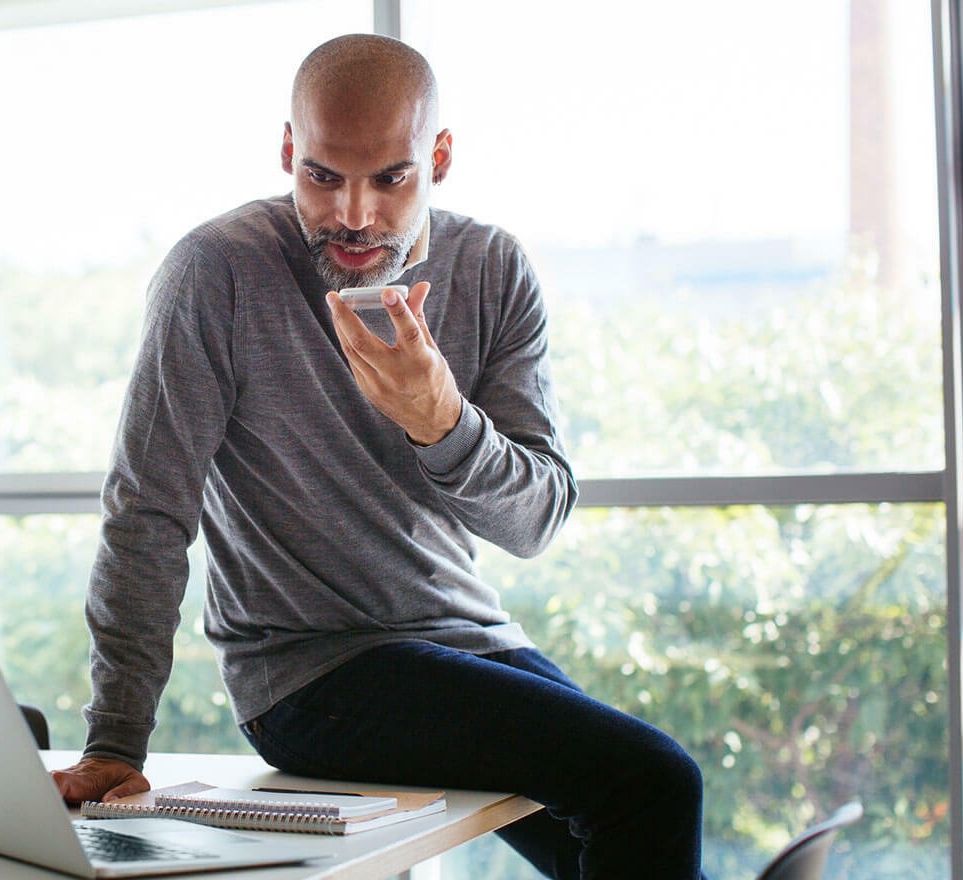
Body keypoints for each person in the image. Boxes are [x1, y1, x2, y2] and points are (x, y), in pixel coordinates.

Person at [52, 33, 705, 879]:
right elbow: (147, 511)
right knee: (656, 781)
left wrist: (441, 423)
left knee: (637, 823)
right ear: (289, 151)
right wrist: (114, 738)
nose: (353, 214)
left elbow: (538, 519)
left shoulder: (494, 268)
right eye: (322, 176)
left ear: (437, 158)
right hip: (307, 674)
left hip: (471, 644)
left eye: (390, 178)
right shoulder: (217, 272)